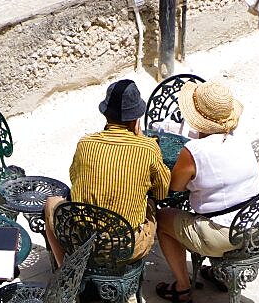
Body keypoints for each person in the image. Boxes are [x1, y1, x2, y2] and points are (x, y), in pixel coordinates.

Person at [156, 79, 259, 303]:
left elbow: (174, 188)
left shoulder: (194, 151)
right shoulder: (242, 141)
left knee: (163, 218)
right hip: (254, 226)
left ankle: (182, 287)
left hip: (224, 235)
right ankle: (213, 272)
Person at [45, 79, 170, 265]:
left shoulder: (85, 144)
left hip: (81, 240)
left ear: (105, 114)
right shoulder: (148, 148)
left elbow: (75, 179)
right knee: (151, 206)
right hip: (125, 247)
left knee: (51, 203)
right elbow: (161, 193)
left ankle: (66, 269)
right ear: (136, 119)